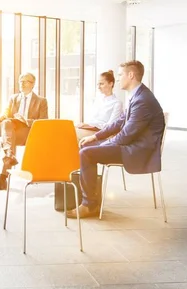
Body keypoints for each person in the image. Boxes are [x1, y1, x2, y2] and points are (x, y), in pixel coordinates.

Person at [67, 60, 165, 218]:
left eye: (120, 75)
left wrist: (103, 144)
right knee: (87, 148)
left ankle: (89, 204)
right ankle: (89, 200)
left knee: (86, 153)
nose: (118, 78)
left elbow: (126, 135)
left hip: (138, 150)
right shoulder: (138, 95)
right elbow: (119, 122)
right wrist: (95, 136)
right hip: (133, 144)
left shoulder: (143, 100)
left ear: (131, 75)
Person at [0, 72, 48, 191]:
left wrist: (27, 121)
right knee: (7, 123)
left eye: (25, 81)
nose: (21, 83)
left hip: (30, 133)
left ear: (32, 84)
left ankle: (5, 171)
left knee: (8, 136)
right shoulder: (14, 98)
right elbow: (6, 112)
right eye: (20, 81)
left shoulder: (41, 101)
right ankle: (9, 158)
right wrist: (1, 116)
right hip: (14, 132)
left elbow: (43, 121)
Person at [75, 70, 123, 140]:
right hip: (91, 129)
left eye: (101, 84)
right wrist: (86, 125)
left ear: (111, 84)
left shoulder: (117, 103)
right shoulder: (98, 100)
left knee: (71, 133)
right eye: (98, 84)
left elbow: (110, 126)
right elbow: (92, 119)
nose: (98, 87)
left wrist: (90, 125)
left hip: (101, 133)